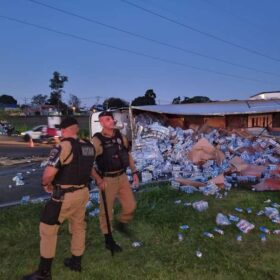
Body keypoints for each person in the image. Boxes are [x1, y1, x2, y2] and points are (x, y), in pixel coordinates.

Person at [22, 117, 95, 280]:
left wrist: (45, 184)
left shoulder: (63, 146)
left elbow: (48, 174)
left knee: (47, 229)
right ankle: (76, 262)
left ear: (65, 129)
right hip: (83, 193)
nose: (61, 132)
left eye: (62, 129)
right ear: (77, 128)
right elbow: (88, 168)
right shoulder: (89, 146)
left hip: (64, 196)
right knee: (78, 227)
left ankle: (44, 273)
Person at [91, 111, 139, 253]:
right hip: (107, 180)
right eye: (107, 119)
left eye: (111, 118)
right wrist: (98, 179)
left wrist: (134, 172)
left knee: (131, 205)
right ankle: (108, 239)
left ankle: (121, 223)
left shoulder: (120, 136)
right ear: (101, 123)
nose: (111, 121)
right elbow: (88, 162)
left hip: (122, 177)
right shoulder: (97, 140)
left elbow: (127, 154)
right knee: (106, 212)